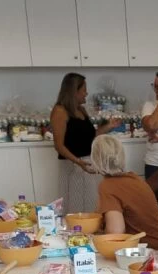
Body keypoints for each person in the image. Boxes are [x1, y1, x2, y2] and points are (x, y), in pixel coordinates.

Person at [49, 73, 122, 214]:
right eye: (83, 90)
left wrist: (108, 127)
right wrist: (78, 162)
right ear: (74, 91)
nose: (86, 93)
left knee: (92, 204)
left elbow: (90, 137)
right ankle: (78, 234)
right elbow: (59, 146)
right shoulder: (60, 111)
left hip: (88, 163)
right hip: (73, 165)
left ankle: (91, 233)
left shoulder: (81, 110)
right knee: (75, 207)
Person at [92, 135, 158, 253]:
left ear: (95, 161)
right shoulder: (135, 179)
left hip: (150, 253)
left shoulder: (107, 185)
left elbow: (115, 232)